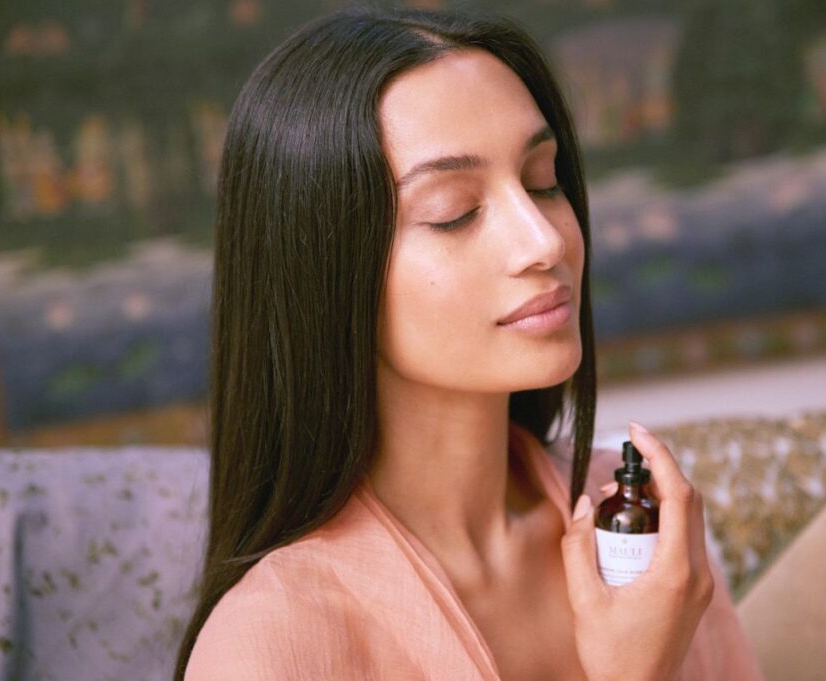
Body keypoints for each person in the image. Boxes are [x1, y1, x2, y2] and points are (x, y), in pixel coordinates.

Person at [174, 6, 765, 680]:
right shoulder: (271, 640)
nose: (544, 240)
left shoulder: (632, 523)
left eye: (543, 181)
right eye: (453, 211)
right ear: (323, 273)